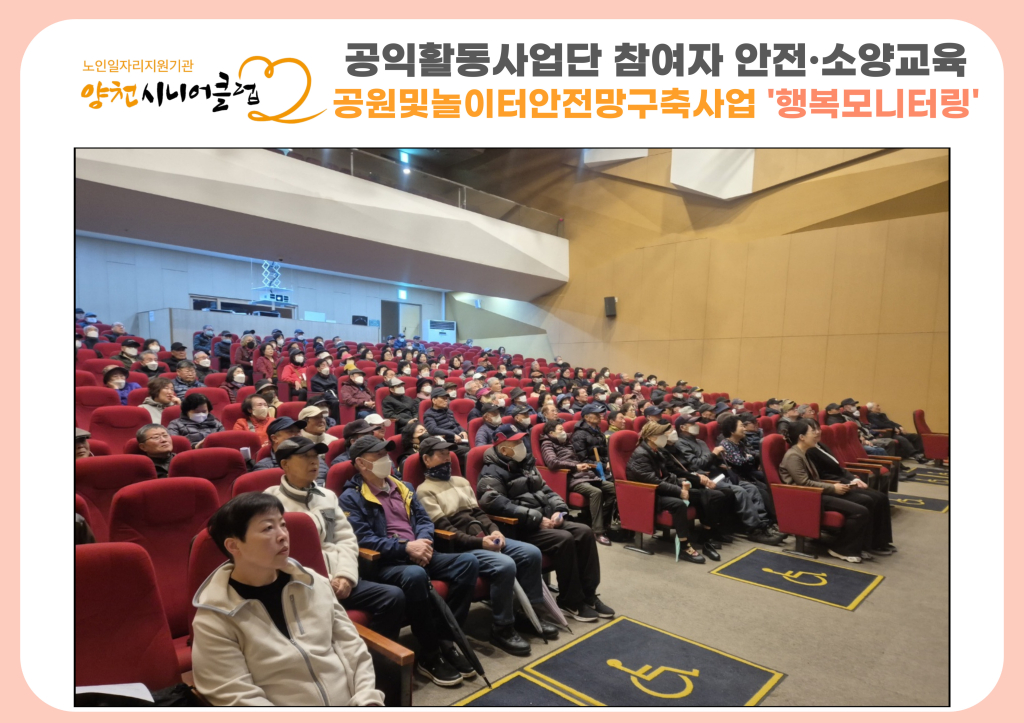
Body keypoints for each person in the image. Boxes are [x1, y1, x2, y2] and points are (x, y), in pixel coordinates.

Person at [192, 493, 385, 706]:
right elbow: (237, 696)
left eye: (282, 525)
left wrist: (367, 699)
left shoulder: (314, 582)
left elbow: (351, 647)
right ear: (233, 546)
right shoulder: (215, 617)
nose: (283, 535)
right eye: (268, 528)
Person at [339, 436, 480, 687]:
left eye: (386, 453)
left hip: (419, 551)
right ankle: (429, 654)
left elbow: (424, 520)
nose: (386, 459)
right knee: (415, 575)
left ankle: (446, 640)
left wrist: (423, 542)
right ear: (360, 463)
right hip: (386, 563)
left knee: (467, 563)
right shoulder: (351, 498)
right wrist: (406, 547)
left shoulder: (403, 486)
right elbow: (364, 539)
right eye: (377, 455)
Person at [416, 437, 555, 655]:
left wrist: (494, 530)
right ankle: (502, 628)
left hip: (484, 536)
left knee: (531, 553)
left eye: (448, 453)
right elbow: (446, 529)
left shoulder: (460, 481)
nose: (448, 458)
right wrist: (480, 542)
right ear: (426, 459)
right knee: (505, 564)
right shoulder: (424, 491)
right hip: (461, 547)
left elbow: (479, 513)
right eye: (441, 454)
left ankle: (530, 613)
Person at [264, 437, 407, 641]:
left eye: (316, 456)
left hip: (339, 578)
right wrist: (326, 580)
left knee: (393, 596)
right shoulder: (270, 504)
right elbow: (278, 555)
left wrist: (345, 576)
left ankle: (374, 657)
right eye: (305, 456)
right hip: (302, 585)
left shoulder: (326, 496)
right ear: (285, 464)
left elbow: (344, 539)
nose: (314, 461)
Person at [477, 432, 614, 622]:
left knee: (584, 532)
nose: (522, 446)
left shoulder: (527, 464)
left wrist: (559, 511)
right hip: (520, 527)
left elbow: (547, 491)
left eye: (521, 441)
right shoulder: (491, 472)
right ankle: (570, 600)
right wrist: (535, 517)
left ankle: (588, 594)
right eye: (516, 443)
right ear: (504, 449)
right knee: (564, 539)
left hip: (545, 518)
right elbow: (493, 502)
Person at [780, 420, 896, 563]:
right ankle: (841, 548)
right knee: (860, 511)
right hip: (807, 497)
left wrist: (835, 485)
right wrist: (833, 488)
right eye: (812, 431)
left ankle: (862, 546)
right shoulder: (793, 456)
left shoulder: (802, 452)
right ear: (802, 437)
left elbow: (814, 479)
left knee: (866, 500)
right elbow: (804, 483)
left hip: (816, 492)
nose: (817, 433)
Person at [674, 416, 782, 545]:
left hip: (718, 474)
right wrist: (713, 454)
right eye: (692, 423)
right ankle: (754, 530)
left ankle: (764, 524)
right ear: (682, 427)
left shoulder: (701, 442)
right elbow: (696, 465)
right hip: (703, 478)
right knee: (740, 491)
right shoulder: (680, 443)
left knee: (751, 488)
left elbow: (710, 461)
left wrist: (719, 460)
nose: (696, 425)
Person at [626, 421, 707, 563]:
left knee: (698, 494)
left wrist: (681, 483)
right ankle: (684, 546)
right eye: (662, 434)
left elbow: (666, 475)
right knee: (678, 504)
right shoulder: (641, 455)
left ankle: (703, 534)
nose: (665, 436)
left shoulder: (655, 451)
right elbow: (653, 481)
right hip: (648, 495)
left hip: (659, 490)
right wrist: (679, 491)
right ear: (651, 437)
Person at [540, 420, 615, 546]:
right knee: (596, 492)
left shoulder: (567, 443)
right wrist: (575, 467)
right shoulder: (547, 443)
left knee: (614, 489)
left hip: (586, 475)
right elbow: (552, 462)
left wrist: (585, 465)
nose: (564, 432)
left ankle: (602, 523)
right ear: (551, 433)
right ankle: (598, 531)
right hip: (570, 478)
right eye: (560, 430)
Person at [716, 414, 782, 534]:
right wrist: (748, 458)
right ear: (732, 431)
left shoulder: (740, 442)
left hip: (746, 474)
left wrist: (748, 458)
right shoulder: (725, 444)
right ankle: (764, 524)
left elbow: (749, 457)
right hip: (735, 477)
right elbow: (739, 462)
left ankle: (772, 521)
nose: (744, 428)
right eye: (741, 426)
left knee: (765, 488)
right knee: (759, 490)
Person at [254, 417, 329, 484]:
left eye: (298, 431)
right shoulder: (264, 467)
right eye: (290, 432)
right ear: (275, 438)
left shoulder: (315, 459)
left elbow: (322, 484)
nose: (297, 435)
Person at [422, 387, 470, 470]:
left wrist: (463, 431)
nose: (446, 400)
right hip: (446, 443)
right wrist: (452, 434)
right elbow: (433, 429)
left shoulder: (448, 411)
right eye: (443, 398)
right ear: (434, 400)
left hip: (459, 439)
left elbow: (456, 424)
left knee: (476, 446)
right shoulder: (429, 414)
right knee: (470, 451)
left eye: (446, 398)